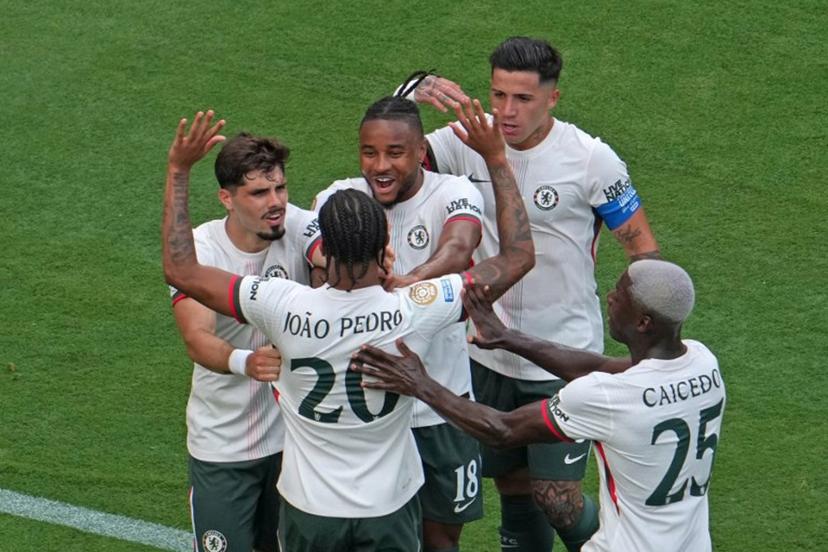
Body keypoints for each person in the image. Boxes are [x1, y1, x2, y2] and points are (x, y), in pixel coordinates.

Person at [161, 104, 533, 552]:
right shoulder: (411, 308)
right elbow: (517, 258)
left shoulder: (280, 305)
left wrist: (179, 170)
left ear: (323, 249)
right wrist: (496, 159)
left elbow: (181, 269)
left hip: (309, 508)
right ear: (384, 250)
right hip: (386, 506)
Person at [399, 36, 662, 551]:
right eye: (498, 96)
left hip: (561, 358)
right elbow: (390, 159)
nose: (506, 111)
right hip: (485, 354)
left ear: (553, 99)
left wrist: (649, 339)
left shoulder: (590, 160)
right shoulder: (462, 142)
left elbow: (643, 250)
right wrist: (408, 94)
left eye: (522, 99)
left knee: (557, 496)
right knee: (514, 485)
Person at [351, 259, 726, 552]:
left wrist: (421, 384)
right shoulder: (703, 362)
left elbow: (502, 429)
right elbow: (601, 366)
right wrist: (507, 338)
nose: (610, 297)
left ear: (643, 322)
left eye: (620, 294)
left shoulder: (610, 397)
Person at [313, 95, 485, 552]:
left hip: (441, 404)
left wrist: (409, 282)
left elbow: (460, 247)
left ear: (421, 151)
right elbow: (316, 265)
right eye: (369, 152)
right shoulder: (338, 199)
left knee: (441, 539)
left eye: (395, 152)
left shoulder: (454, 192)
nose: (379, 165)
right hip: (369, 415)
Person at [169, 132, 322, 552]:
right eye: (258, 192)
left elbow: (330, 249)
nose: (275, 201)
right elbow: (197, 338)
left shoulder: (293, 222)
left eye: (280, 187)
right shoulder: (202, 250)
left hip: (291, 442)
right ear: (226, 198)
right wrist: (246, 361)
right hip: (223, 447)